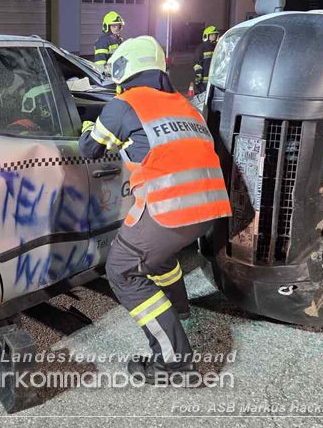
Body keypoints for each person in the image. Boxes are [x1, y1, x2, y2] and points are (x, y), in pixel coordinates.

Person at [79, 36, 231, 382]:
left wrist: (89, 126)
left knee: (122, 269)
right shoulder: (183, 103)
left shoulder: (124, 103)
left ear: (125, 66)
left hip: (171, 208)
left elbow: (90, 149)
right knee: (158, 258)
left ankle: (173, 362)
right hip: (208, 207)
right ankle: (178, 307)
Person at [193, 25, 219, 94]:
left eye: (215, 35)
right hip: (204, 80)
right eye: (212, 35)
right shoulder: (201, 48)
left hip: (214, 80)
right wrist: (198, 80)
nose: (214, 36)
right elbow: (197, 65)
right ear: (206, 36)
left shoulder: (217, 47)